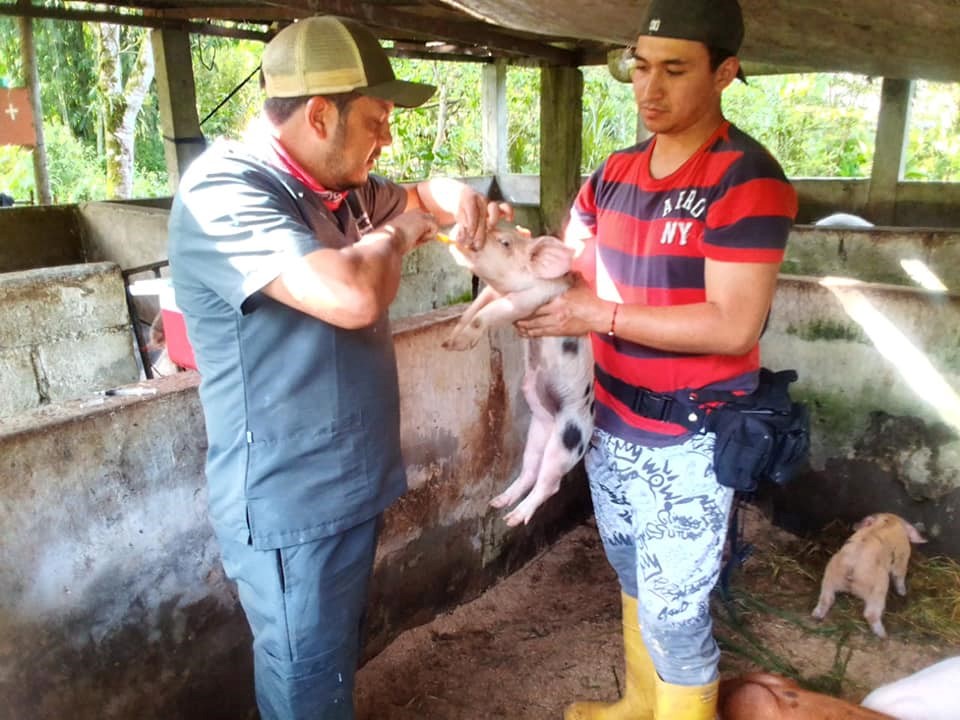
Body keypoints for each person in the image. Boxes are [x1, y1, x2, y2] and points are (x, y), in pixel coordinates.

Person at [167, 16, 510, 720]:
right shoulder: (226, 190)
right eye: (376, 121)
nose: (388, 138)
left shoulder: (334, 186)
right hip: (293, 501)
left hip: (346, 485)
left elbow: (423, 195)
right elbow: (351, 295)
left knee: (326, 667)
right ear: (321, 115)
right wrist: (403, 232)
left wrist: (455, 198)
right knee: (307, 686)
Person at [515, 0, 798, 718]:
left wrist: (599, 315)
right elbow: (565, 267)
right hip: (610, 422)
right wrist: (496, 247)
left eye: (676, 70)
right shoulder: (613, 173)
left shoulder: (745, 178)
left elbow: (732, 325)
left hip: (690, 436)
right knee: (633, 576)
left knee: (676, 615)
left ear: (725, 73)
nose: (650, 88)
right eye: (640, 67)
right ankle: (637, 706)